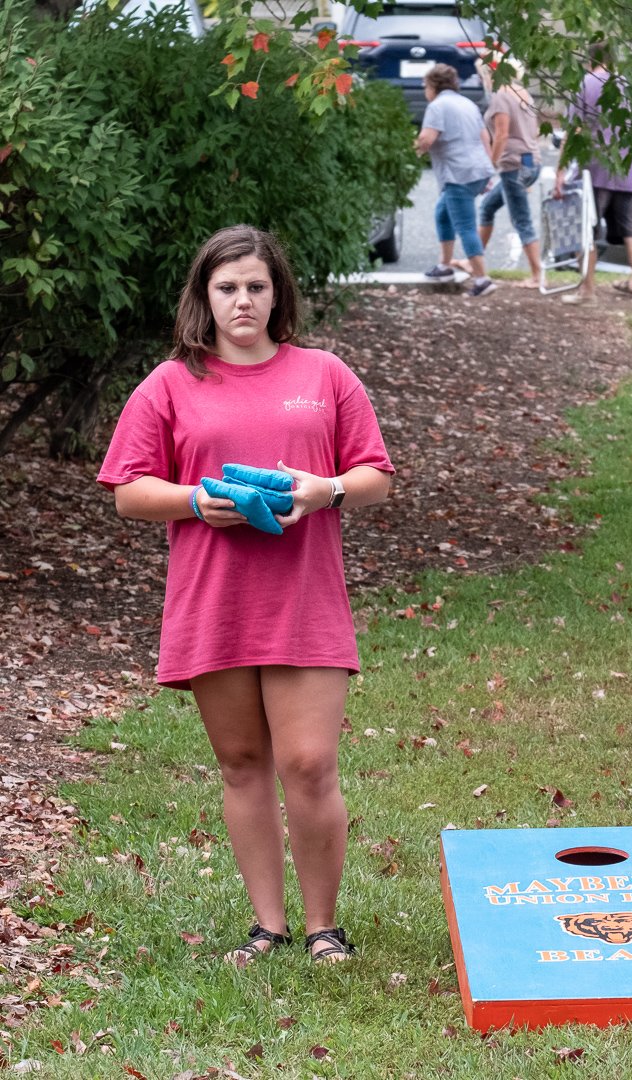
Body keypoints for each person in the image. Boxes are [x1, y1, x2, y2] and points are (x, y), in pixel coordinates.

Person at [97, 225, 395, 965]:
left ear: (277, 294)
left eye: (256, 286)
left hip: (303, 599)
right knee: (240, 763)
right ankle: (270, 925)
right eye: (227, 287)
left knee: (309, 763)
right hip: (213, 601)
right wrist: (198, 502)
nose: (242, 300)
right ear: (204, 295)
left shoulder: (324, 373)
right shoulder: (170, 383)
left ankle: (325, 927)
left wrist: (320, 491)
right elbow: (129, 492)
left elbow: (374, 477)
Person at [554, 41, 632, 311]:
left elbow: (573, 131)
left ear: (590, 60)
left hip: (596, 168)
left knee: (587, 231)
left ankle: (587, 291)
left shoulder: (586, 83)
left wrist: (561, 170)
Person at [414, 63, 498, 299]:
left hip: (458, 173)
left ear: (433, 85)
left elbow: (426, 139)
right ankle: (445, 266)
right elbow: (485, 138)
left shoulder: (437, 106)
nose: (424, 90)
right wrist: (488, 168)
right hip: (478, 170)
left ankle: (482, 279)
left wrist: (411, 150)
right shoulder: (467, 103)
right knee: (443, 212)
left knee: (466, 226)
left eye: (425, 85)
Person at [470, 56, 543, 288]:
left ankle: (537, 274)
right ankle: (475, 261)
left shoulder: (501, 96)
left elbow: (501, 134)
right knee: (488, 207)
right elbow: (535, 129)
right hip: (530, 161)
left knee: (521, 220)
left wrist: (490, 164)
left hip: (513, 165)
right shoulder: (522, 92)